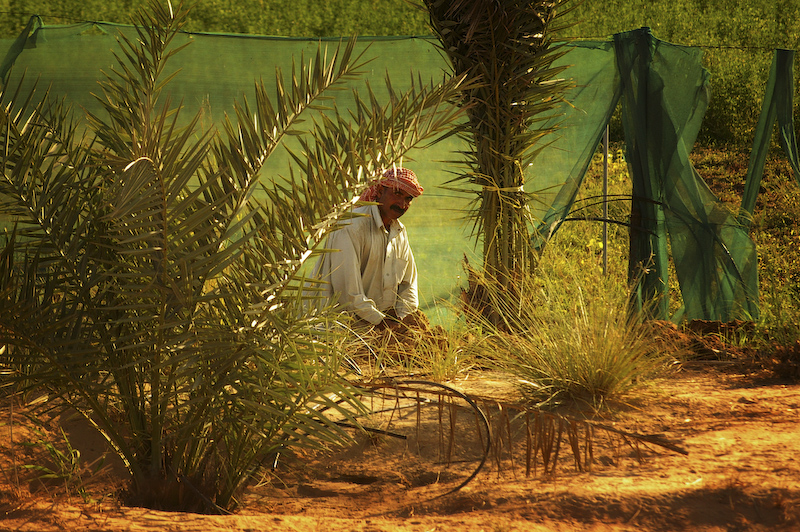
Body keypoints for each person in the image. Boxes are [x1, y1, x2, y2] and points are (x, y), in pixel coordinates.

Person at [312, 167, 423, 331]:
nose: (402, 204)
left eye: (409, 198)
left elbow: (409, 285)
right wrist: (381, 322)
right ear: (379, 191)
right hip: (333, 334)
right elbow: (348, 294)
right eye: (397, 193)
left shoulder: (399, 233)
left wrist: (401, 318)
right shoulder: (350, 226)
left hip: (375, 335)